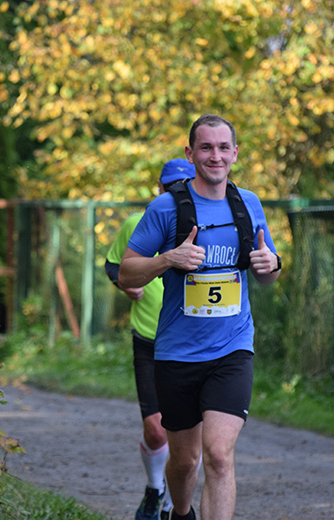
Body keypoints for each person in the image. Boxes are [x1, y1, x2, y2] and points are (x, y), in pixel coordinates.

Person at [119, 114, 281, 520]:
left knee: (219, 456)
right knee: (185, 461)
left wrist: (271, 265)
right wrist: (168, 259)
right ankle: (180, 512)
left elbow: (268, 272)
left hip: (232, 349)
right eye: (206, 147)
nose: (215, 156)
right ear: (190, 154)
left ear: (235, 153)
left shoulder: (248, 204)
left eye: (223, 147)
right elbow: (126, 273)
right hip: (177, 354)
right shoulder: (166, 208)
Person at [105, 158, 196, 520]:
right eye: (169, 188)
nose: (175, 194)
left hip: (192, 341)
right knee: (157, 431)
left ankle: (174, 502)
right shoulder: (139, 221)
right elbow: (114, 265)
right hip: (149, 338)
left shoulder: (208, 224)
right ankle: (155, 488)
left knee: (186, 434)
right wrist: (125, 286)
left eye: (183, 187)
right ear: (159, 189)